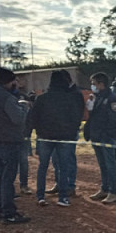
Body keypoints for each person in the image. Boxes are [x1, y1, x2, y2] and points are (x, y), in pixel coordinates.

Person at [0, 67, 31, 224]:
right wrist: (24, 108)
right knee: (7, 180)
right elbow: (17, 119)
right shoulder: (6, 97)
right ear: (9, 81)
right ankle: (9, 213)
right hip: (9, 142)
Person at [29, 71, 82, 208]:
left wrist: (39, 132)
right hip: (64, 138)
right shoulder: (70, 98)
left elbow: (33, 118)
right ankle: (63, 197)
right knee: (63, 168)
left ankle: (40, 196)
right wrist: (70, 133)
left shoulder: (42, 98)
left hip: (45, 137)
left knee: (43, 166)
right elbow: (76, 118)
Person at [84, 72, 116, 204]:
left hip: (106, 137)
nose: (92, 86)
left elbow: (115, 119)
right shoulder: (96, 97)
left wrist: (105, 134)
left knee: (110, 164)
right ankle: (104, 188)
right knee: (102, 165)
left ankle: (114, 191)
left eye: (94, 84)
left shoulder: (113, 98)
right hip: (96, 136)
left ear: (101, 84)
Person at [46, 70, 84, 197]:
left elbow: (78, 114)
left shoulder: (75, 94)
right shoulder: (60, 93)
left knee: (68, 159)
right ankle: (60, 183)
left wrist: (73, 128)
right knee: (56, 160)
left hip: (69, 132)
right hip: (56, 132)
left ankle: (70, 186)